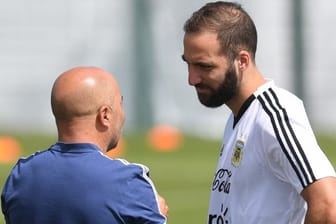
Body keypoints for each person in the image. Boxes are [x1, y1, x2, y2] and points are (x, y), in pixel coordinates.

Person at [182, 1, 336, 223]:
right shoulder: (239, 118)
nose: (192, 79)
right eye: (188, 64)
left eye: (205, 66)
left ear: (242, 60)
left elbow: (328, 205)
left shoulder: (273, 115)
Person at [1, 66, 168, 224]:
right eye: (120, 104)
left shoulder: (20, 175)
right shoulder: (129, 181)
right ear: (105, 115)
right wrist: (155, 213)